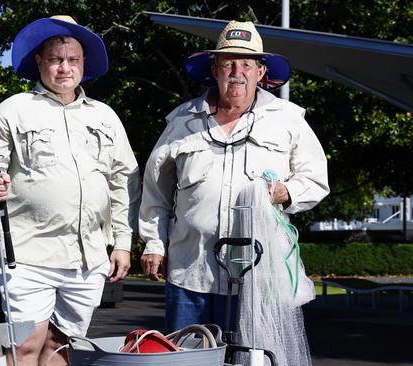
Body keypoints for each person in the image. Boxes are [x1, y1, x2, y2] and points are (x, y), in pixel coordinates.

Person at [139, 20, 329, 335]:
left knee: (251, 358)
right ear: (215, 70)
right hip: (190, 274)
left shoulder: (288, 119)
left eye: (246, 64)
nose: (236, 72)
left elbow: (315, 179)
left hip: (259, 275)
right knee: (188, 358)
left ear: (261, 73)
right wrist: (154, 244)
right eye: (228, 64)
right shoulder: (182, 122)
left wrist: (286, 192)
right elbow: (154, 192)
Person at [0, 15, 141, 366]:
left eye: (73, 60)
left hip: (88, 257)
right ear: (40, 62)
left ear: (84, 64)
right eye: (55, 59)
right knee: (24, 347)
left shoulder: (106, 116)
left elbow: (124, 180)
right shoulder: (12, 111)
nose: (65, 68)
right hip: (26, 253)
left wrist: (123, 243)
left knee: (62, 346)